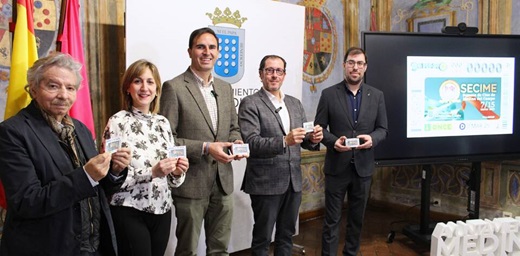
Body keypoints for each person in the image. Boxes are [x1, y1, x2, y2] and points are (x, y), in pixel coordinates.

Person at [0, 52, 132, 255]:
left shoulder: (80, 128)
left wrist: (114, 171)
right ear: (33, 89)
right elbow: (27, 201)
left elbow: (96, 190)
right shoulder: (12, 132)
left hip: (90, 246)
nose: (63, 95)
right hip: (48, 247)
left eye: (70, 88)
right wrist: (86, 176)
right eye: (53, 86)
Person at [159, 27, 246, 256]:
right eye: (200, 47)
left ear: (218, 52)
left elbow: (233, 128)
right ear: (190, 51)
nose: (207, 52)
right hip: (191, 184)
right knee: (187, 250)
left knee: (219, 249)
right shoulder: (174, 87)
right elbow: (168, 140)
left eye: (212, 47)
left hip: (223, 183)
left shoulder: (225, 88)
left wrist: (236, 142)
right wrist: (206, 148)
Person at [101, 59, 190, 256]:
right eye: (138, 81)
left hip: (163, 209)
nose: (144, 88)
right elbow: (109, 177)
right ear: (128, 87)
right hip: (129, 209)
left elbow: (174, 181)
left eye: (150, 82)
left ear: (157, 89)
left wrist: (177, 171)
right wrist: (152, 172)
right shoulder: (117, 122)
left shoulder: (163, 123)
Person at [238, 55, 323, 256]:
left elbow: (305, 141)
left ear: (284, 75)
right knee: (263, 239)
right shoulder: (250, 103)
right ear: (261, 74)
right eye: (269, 70)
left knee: (286, 236)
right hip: (265, 183)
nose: (274, 75)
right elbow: (251, 142)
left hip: (293, 183)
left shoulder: (294, 103)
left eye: (279, 71)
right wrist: (285, 140)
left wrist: (314, 139)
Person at [315, 47, 388, 256]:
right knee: (331, 221)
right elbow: (320, 129)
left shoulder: (377, 96)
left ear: (365, 67)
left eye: (359, 63)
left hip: (363, 169)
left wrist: (372, 139)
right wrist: (333, 141)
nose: (355, 67)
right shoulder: (328, 94)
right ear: (344, 65)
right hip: (337, 168)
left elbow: (383, 129)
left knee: (357, 221)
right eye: (351, 63)